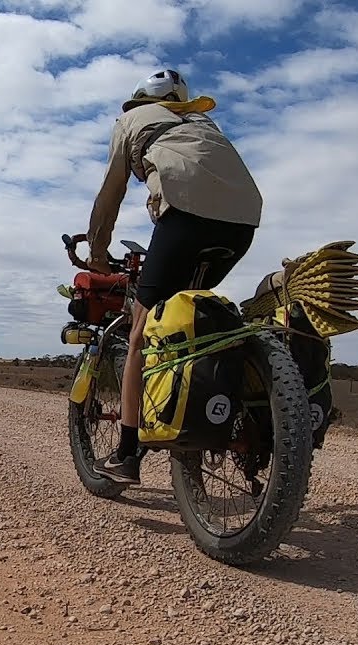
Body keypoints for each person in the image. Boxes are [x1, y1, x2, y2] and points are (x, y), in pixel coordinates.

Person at [84, 68, 263, 486]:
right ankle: (220, 416)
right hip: (243, 223)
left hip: (185, 218)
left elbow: (111, 193)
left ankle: (127, 454)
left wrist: (97, 253)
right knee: (193, 325)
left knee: (140, 334)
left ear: (138, 99)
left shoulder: (130, 122)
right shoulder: (201, 122)